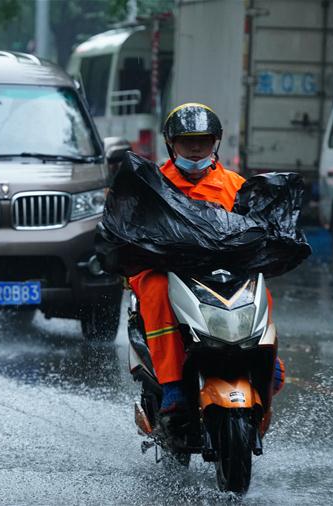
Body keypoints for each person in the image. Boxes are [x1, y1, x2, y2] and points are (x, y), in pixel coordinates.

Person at [128, 102, 285, 430]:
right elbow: (132, 227)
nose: (196, 148)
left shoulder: (235, 185)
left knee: (261, 290)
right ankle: (172, 386)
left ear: (215, 142)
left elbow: (255, 227)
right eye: (187, 141)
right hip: (167, 269)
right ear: (172, 144)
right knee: (154, 289)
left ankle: (268, 362)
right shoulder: (154, 184)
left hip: (222, 271)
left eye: (204, 139)